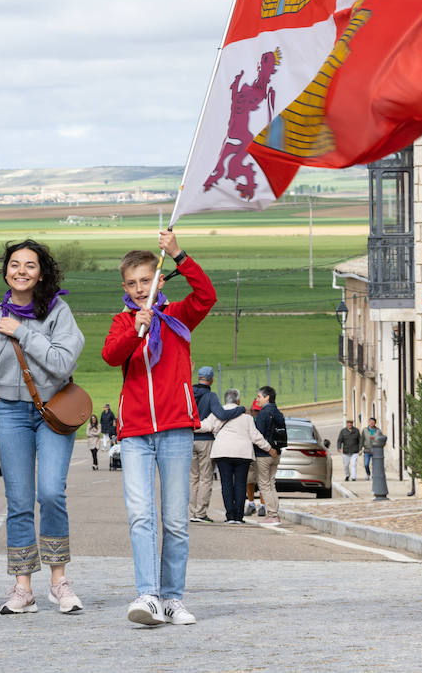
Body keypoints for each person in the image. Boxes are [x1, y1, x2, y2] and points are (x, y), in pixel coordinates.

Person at [101, 231, 217, 627]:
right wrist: (137, 328)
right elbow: (110, 355)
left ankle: (172, 598)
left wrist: (179, 254)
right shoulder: (122, 322)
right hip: (134, 433)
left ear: (159, 280)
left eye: (145, 281)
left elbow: (207, 296)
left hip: (175, 430)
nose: (139, 289)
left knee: (175, 521)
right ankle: (147, 595)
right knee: (141, 517)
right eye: (132, 283)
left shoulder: (179, 317)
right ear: (124, 287)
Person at [0, 239, 85, 616]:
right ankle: (23, 587)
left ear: (41, 273)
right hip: (13, 417)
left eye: (30, 265)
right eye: (15, 264)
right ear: (6, 271)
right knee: (18, 502)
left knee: (51, 493)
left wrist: (22, 332)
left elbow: (62, 362)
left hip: (53, 412)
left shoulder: (57, 313)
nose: (21, 270)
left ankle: (59, 582)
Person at [200, 388, 277, 524]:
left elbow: (204, 426)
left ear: (225, 400)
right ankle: (239, 516)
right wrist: (269, 448)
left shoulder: (217, 414)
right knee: (241, 484)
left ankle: (230, 516)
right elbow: (256, 437)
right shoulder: (246, 417)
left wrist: (186, 425)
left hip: (222, 452)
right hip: (243, 453)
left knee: (227, 484)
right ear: (238, 401)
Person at [190, 366, 241, 523]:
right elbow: (222, 414)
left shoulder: (189, 392)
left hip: (188, 438)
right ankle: (200, 513)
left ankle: (192, 511)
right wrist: (240, 410)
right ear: (211, 379)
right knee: (206, 477)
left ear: (198, 377)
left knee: (193, 478)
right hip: (205, 439)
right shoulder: (210, 396)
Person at [252, 386, 286, 523]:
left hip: (263, 454)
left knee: (264, 485)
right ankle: (274, 513)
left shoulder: (263, 413)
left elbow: (258, 435)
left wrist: (267, 448)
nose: (257, 400)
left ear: (267, 397)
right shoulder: (278, 412)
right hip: (276, 453)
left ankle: (272, 515)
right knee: (272, 484)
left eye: (259, 397)